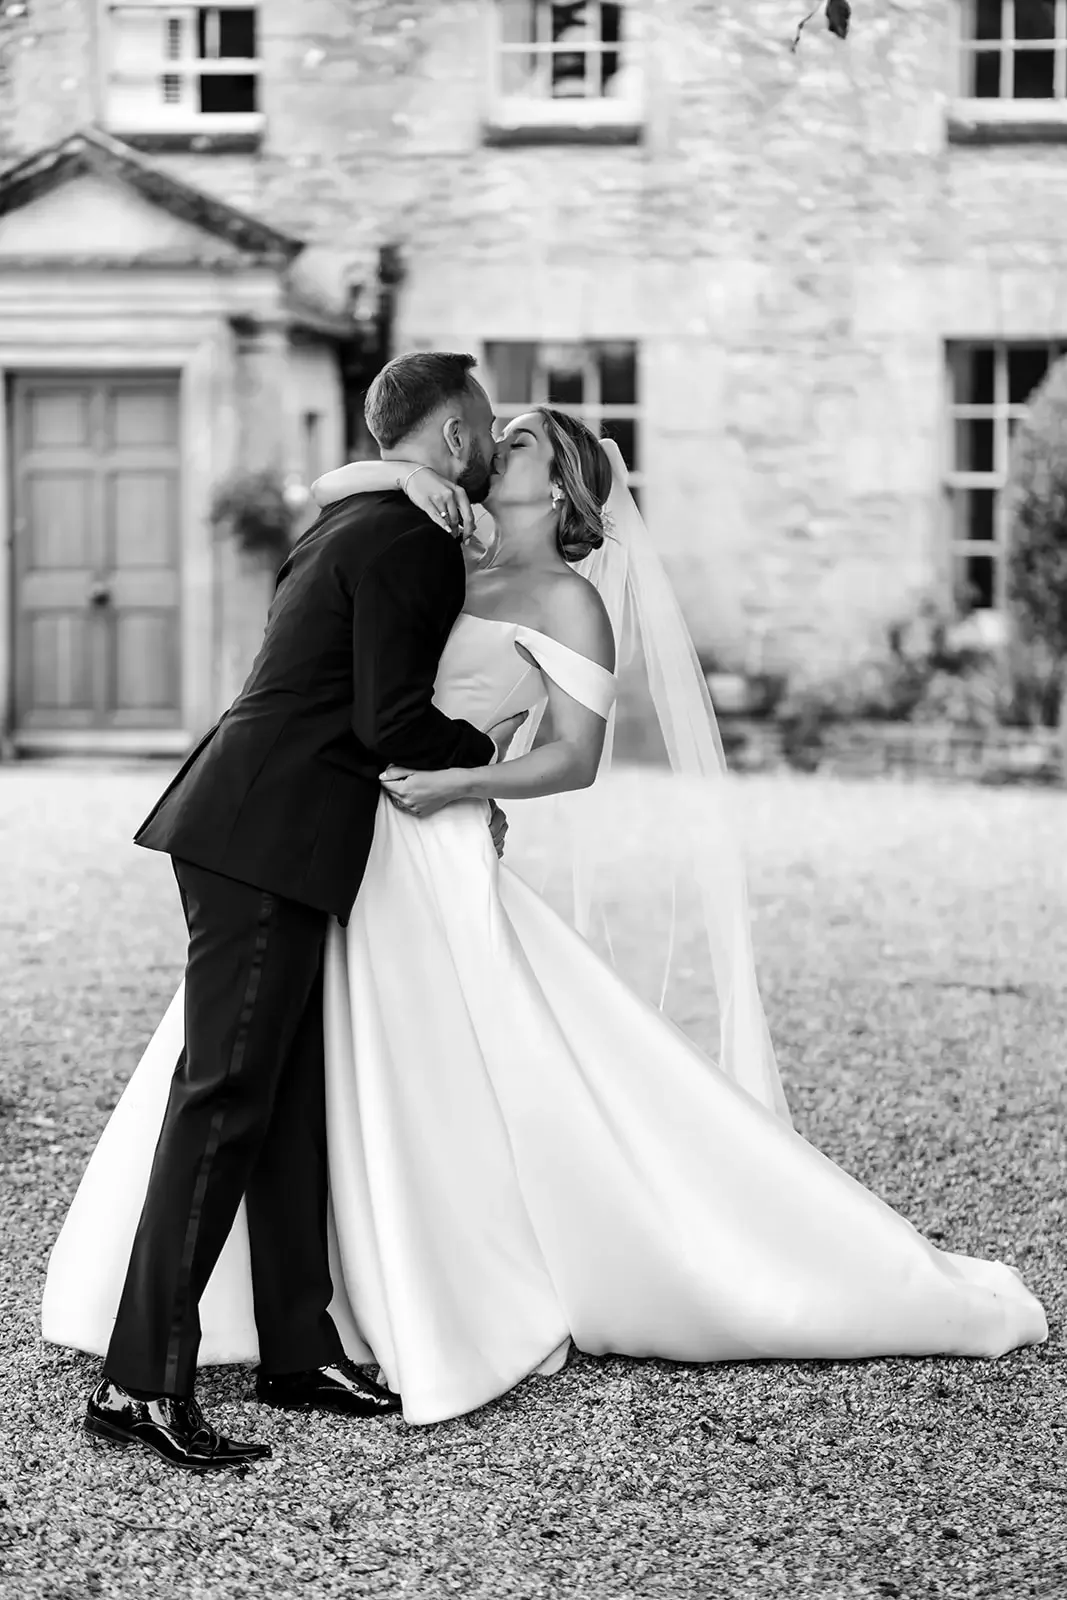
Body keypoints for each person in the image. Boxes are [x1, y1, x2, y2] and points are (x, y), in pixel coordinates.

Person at [44, 381, 1048, 1440]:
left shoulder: (563, 596)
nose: (498, 442)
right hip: (327, 840)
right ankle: (237, 1349)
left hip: (407, 832)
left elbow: (572, 754)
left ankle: (361, 1318)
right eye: (491, 431)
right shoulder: (432, 536)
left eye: (519, 440)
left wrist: (467, 782)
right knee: (287, 1089)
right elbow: (347, 500)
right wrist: (400, 475)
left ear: (556, 481)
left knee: (385, 1084)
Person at [48, 352, 527, 1470]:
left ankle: (297, 1348)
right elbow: (393, 717)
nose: (492, 445)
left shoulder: (356, 514)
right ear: (454, 442)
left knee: (286, 1099)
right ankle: (138, 1381)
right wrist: (488, 755)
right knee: (220, 1101)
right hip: (264, 839)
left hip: (265, 830)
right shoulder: (406, 537)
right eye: (488, 428)